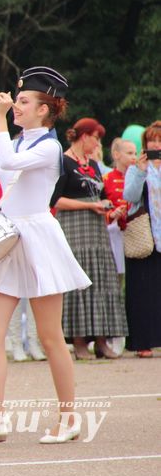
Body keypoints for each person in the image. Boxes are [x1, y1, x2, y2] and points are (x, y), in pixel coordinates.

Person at [0, 67, 90, 443]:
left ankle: (69, 419)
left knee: (50, 336)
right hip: (7, 238)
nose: (15, 107)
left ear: (44, 110)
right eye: (15, 102)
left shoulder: (48, 148)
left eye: (23, 102)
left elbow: (10, 165)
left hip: (37, 238)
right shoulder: (13, 142)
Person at [52, 118, 128, 359]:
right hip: (75, 228)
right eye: (95, 137)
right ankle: (79, 340)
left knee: (101, 281)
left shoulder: (93, 165)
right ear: (84, 136)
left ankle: (102, 340)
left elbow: (102, 196)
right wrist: (88, 206)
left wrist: (110, 210)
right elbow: (54, 200)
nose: (98, 143)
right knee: (79, 282)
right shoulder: (63, 162)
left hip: (96, 229)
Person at [122, 121, 161, 357]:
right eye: (152, 141)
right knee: (142, 289)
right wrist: (140, 171)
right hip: (144, 234)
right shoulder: (137, 168)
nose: (156, 145)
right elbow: (130, 196)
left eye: (159, 141)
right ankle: (142, 341)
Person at [104, 138, 138, 277]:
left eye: (135, 153)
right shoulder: (106, 178)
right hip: (114, 232)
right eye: (129, 153)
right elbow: (102, 204)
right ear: (117, 155)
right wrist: (111, 214)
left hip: (136, 231)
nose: (134, 157)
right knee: (115, 275)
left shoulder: (139, 177)